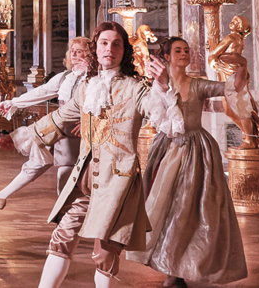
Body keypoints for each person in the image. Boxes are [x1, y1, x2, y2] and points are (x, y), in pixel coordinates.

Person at [30, 20, 163, 288]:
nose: (109, 49)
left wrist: (163, 86)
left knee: (104, 254)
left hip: (119, 184)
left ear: (124, 50)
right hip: (85, 182)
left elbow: (158, 112)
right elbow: (58, 118)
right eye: (104, 43)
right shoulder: (86, 87)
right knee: (61, 239)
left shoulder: (135, 88)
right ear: (96, 48)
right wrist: (20, 137)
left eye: (116, 44)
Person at [127, 37, 248, 287]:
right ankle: (167, 263)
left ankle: (182, 266)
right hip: (167, 150)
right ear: (167, 57)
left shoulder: (198, 85)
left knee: (191, 210)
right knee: (165, 207)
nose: (183, 54)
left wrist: (242, 66)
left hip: (198, 152)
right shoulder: (157, 86)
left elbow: (232, 87)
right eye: (178, 50)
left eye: (186, 50)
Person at [0, 36, 93, 208]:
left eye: (80, 52)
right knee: (37, 162)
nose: (75, 55)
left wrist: (88, 121)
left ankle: (68, 222)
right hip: (59, 130)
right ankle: (1, 196)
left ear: (90, 55)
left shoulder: (94, 79)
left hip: (81, 135)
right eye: (73, 51)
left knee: (69, 180)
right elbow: (42, 92)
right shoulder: (65, 77)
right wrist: (13, 103)